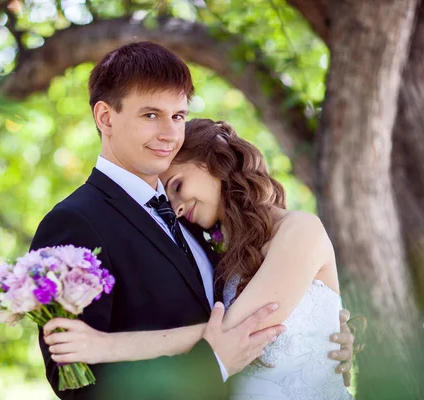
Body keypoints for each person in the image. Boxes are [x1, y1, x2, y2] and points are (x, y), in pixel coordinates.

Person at [32, 42, 354, 400]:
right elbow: (80, 388)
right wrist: (214, 362)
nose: (170, 133)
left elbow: (253, 319)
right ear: (106, 117)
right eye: (151, 115)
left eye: (178, 116)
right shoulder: (74, 223)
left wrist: (327, 335)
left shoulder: (196, 226)